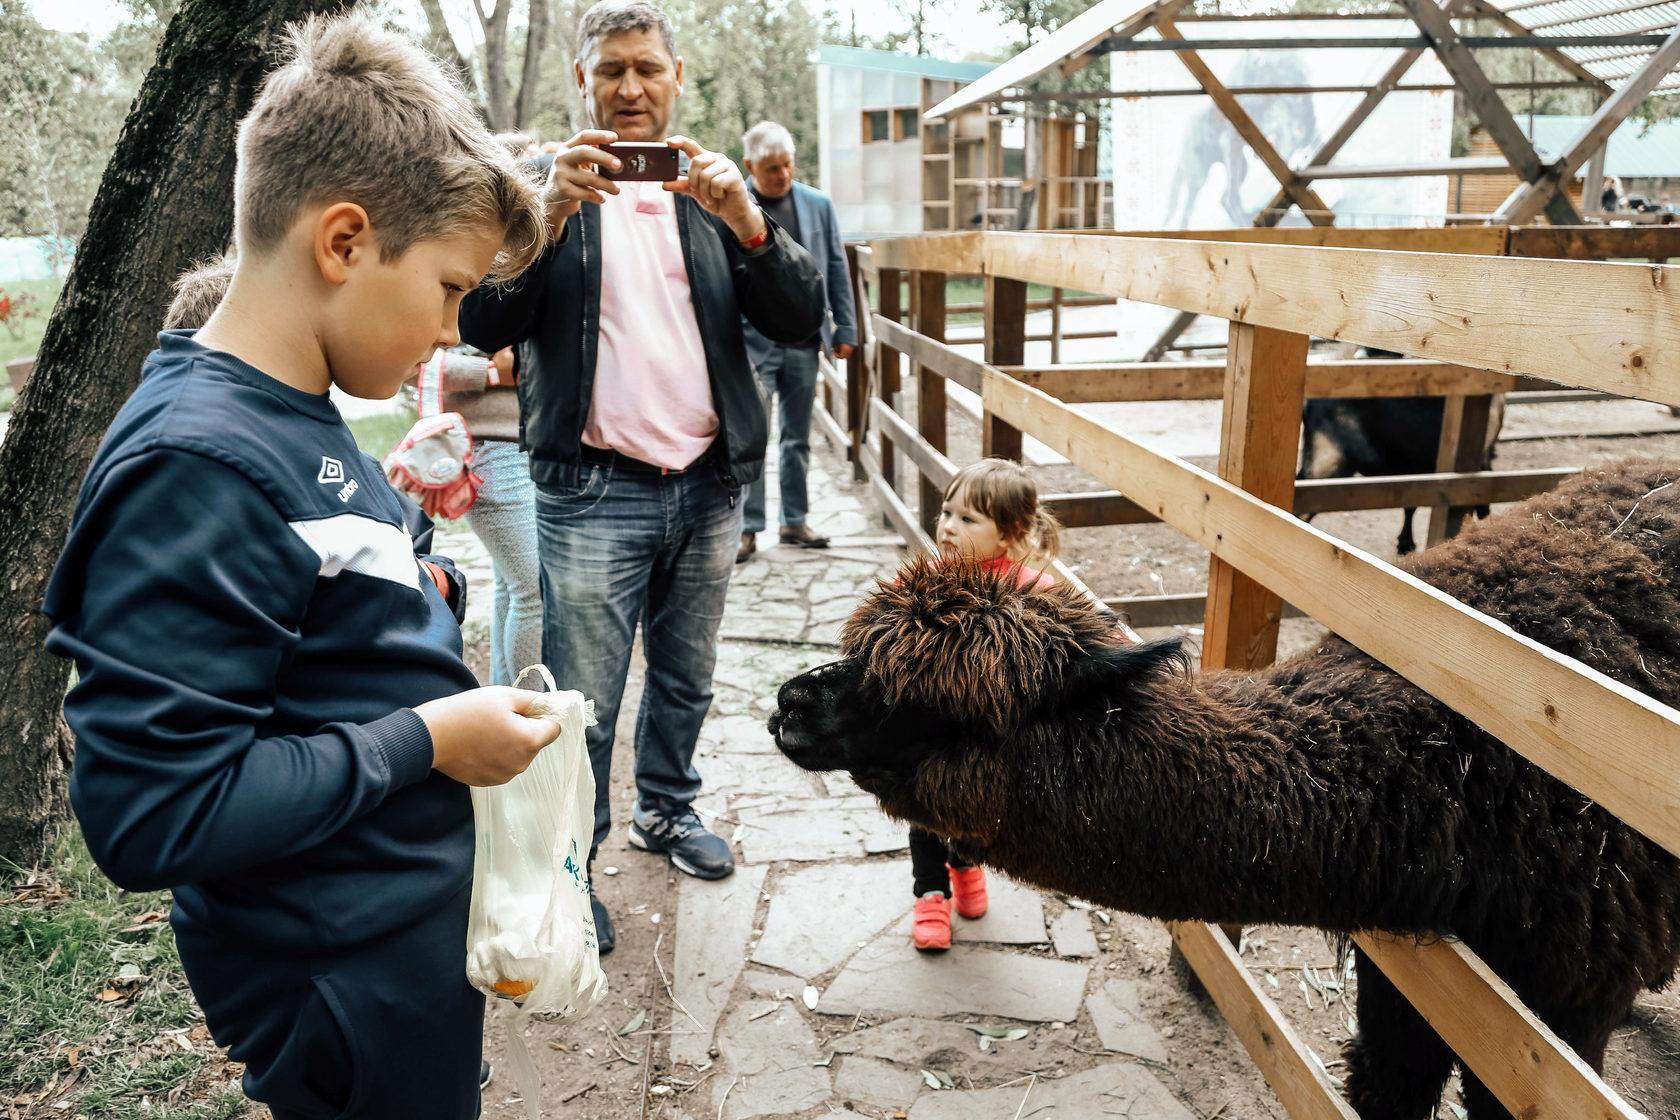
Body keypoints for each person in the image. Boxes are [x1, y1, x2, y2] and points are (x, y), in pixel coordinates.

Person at [43, 14, 555, 1118]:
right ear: (343, 242)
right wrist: (428, 736)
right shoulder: (196, 463)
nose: (455, 333)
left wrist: (425, 589)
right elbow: (154, 814)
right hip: (340, 987)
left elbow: (302, 617)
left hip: (395, 949)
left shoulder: (300, 410)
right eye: (449, 287)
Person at [458, 0, 824, 954]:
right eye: (611, 69)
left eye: (647, 69)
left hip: (708, 487)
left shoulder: (711, 194)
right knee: (583, 699)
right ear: (581, 80)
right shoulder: (539, 191)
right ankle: (574, 864)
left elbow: (797, 317)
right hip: (592, 492)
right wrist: (542, 217)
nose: (629, 87)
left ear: (673, 78)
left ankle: (668, 808)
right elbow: (480, 327)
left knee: (688, 678)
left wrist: (749, 219)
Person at [906, 457, 1060, 951]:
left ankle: (967, 866)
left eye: (968, 519)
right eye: (946, 512)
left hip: (989, 734)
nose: (948, 526)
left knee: (973, 808)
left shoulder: (1033, 593)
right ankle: (931, 893)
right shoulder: (923, 580)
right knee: (923, 809)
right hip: (928, 727)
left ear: (1010, 534)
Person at [736, 120, 858, 563]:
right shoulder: (731, 203)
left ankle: (794, 520)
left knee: (797, 436)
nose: (782, 174)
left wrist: (846, 328)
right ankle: (748, 529)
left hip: (805, 341)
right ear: (750, 166)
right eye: (771, 168)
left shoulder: (817, 205)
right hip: (752, 342)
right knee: (752, 435)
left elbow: (837, 270)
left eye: (787, 165)